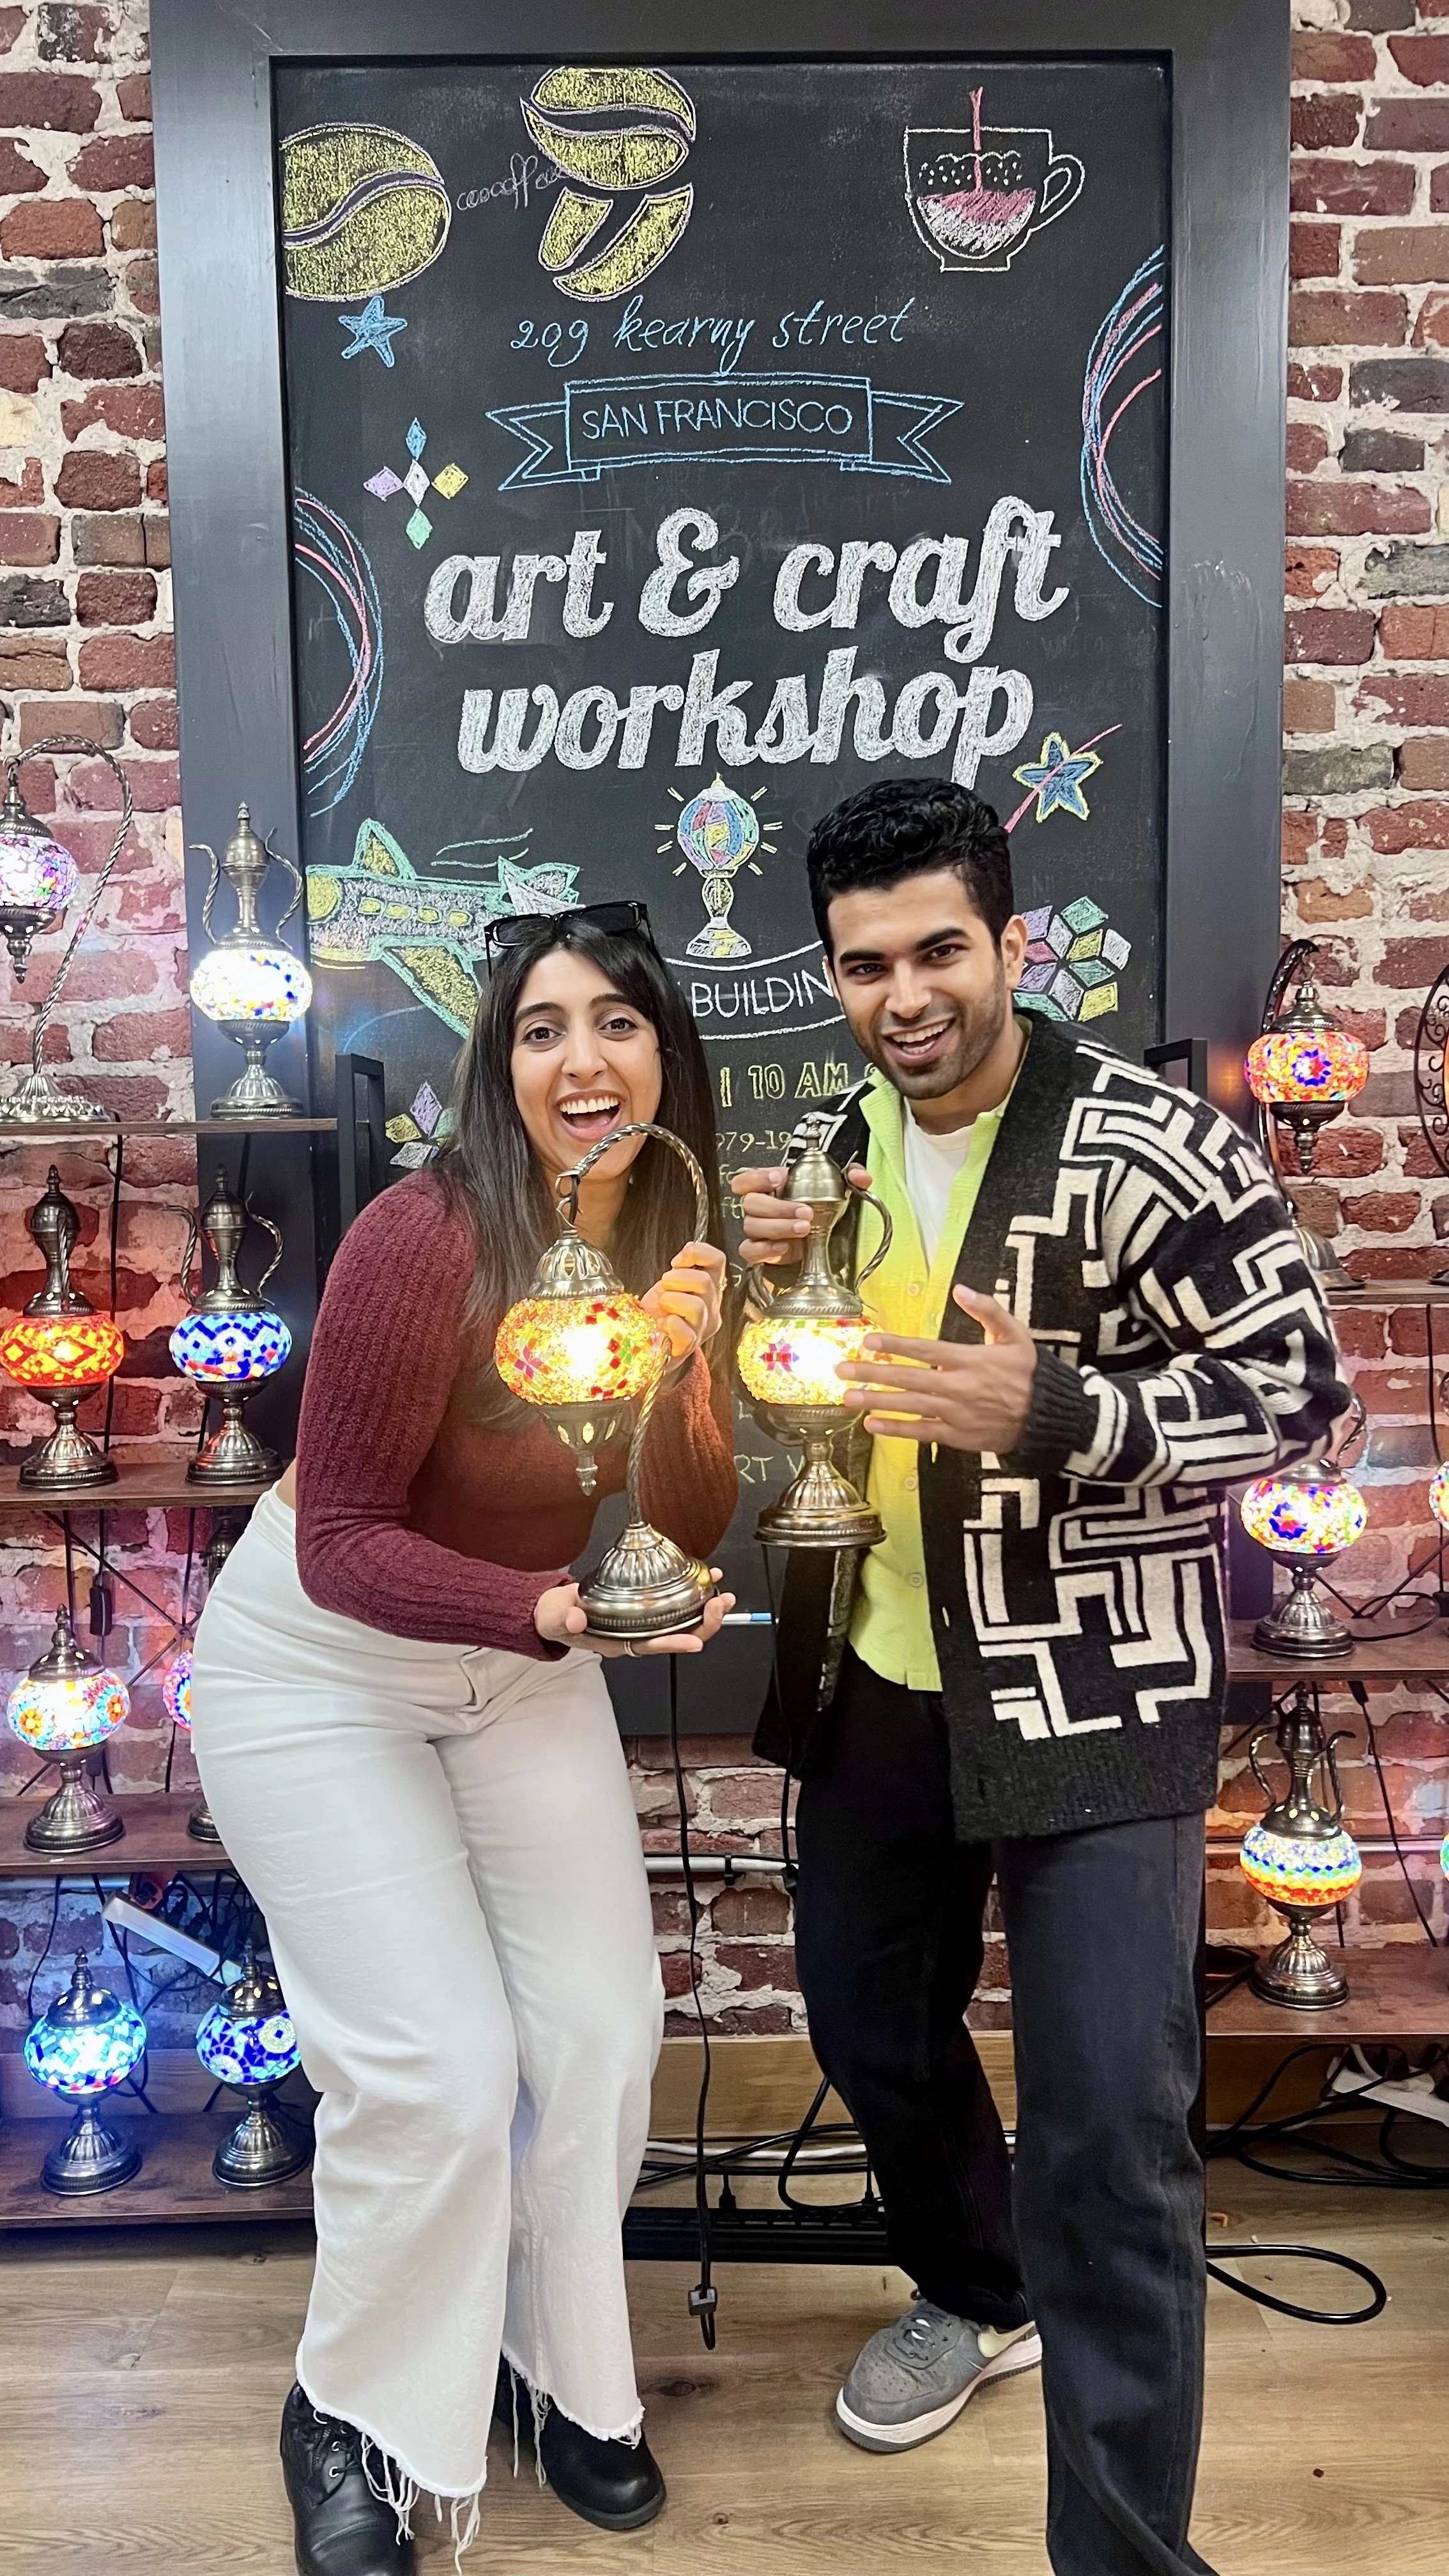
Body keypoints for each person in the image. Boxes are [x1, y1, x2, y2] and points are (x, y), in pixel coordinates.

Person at [732, 778, 1350, 2576]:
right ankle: (976, 2284)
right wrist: (777, 1297)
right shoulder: (838, 1145)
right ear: (830, 977)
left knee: (1109, 2144)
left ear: (1012, 941)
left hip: (1089, 1692)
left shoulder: (1155, 1142)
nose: (904, 996)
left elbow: (1306, 1398)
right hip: (875, 1682)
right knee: (862, 2031)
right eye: (863, 966)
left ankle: (1124, 2559)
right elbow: (833, 1396)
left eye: (938, 949)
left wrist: (1064, 1406)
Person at [192, 904, 738, 2576]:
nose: (583, 1061)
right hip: (319, 1665)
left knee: (597, 2034)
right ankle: (347, 2409)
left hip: (514, 1665)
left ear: (664, 1057)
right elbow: (348, 1533)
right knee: (434, 2069)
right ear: (498, 1067)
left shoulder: (672, 1239)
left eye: (617, 1024)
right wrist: (551, 1617)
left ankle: (562, 2375)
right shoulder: (421, 1243)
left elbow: (694, 1515)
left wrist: (692, 1372)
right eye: (540, 1029)